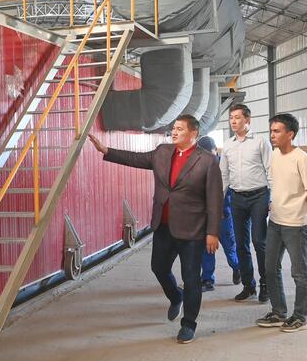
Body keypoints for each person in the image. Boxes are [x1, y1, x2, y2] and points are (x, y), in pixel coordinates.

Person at [88, 114, 223, 344]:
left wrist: (213, 232)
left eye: (180, 129)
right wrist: (106, 150)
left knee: (191, 278)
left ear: (193, 133)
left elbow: (215, 199)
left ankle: (188, 324)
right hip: (164, 225)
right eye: (174, 128)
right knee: (158, 268)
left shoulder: (207, 161)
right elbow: (136, 158)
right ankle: (176, 296)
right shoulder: (162, 152)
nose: (174, 131)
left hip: (193, 230)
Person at [256, 113, 307, 333]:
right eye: (271, 131)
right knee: (270, 268)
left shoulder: (302, 159)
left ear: (290, 134)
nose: (272, 135)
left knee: (299, 272)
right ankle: (279, 312)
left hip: (295, 224)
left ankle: (300, 316)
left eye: (277, 131)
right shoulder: (274, 155)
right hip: (275, 221)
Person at [220, 104, 273, 302]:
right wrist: (219, 201)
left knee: (259, 241)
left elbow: (270, 170)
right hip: (237, 198)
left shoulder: (260, 142)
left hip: (259, 196)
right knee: (240, 244)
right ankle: (248, 285)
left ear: (247, 120)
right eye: (231, 118)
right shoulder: (228, 145)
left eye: (237, 117)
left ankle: (266, 285)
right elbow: (223, 175)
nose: (233, 121)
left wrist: (273, 198)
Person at [197, 136, 241, 291]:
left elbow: (232, 190)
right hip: (206, 216)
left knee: (230, 248)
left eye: (209, 153)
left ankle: (237, 267)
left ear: (216, 150)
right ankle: (207, 279)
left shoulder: (226, 167)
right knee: (207, 248)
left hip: (223, 215)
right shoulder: (197, 167)